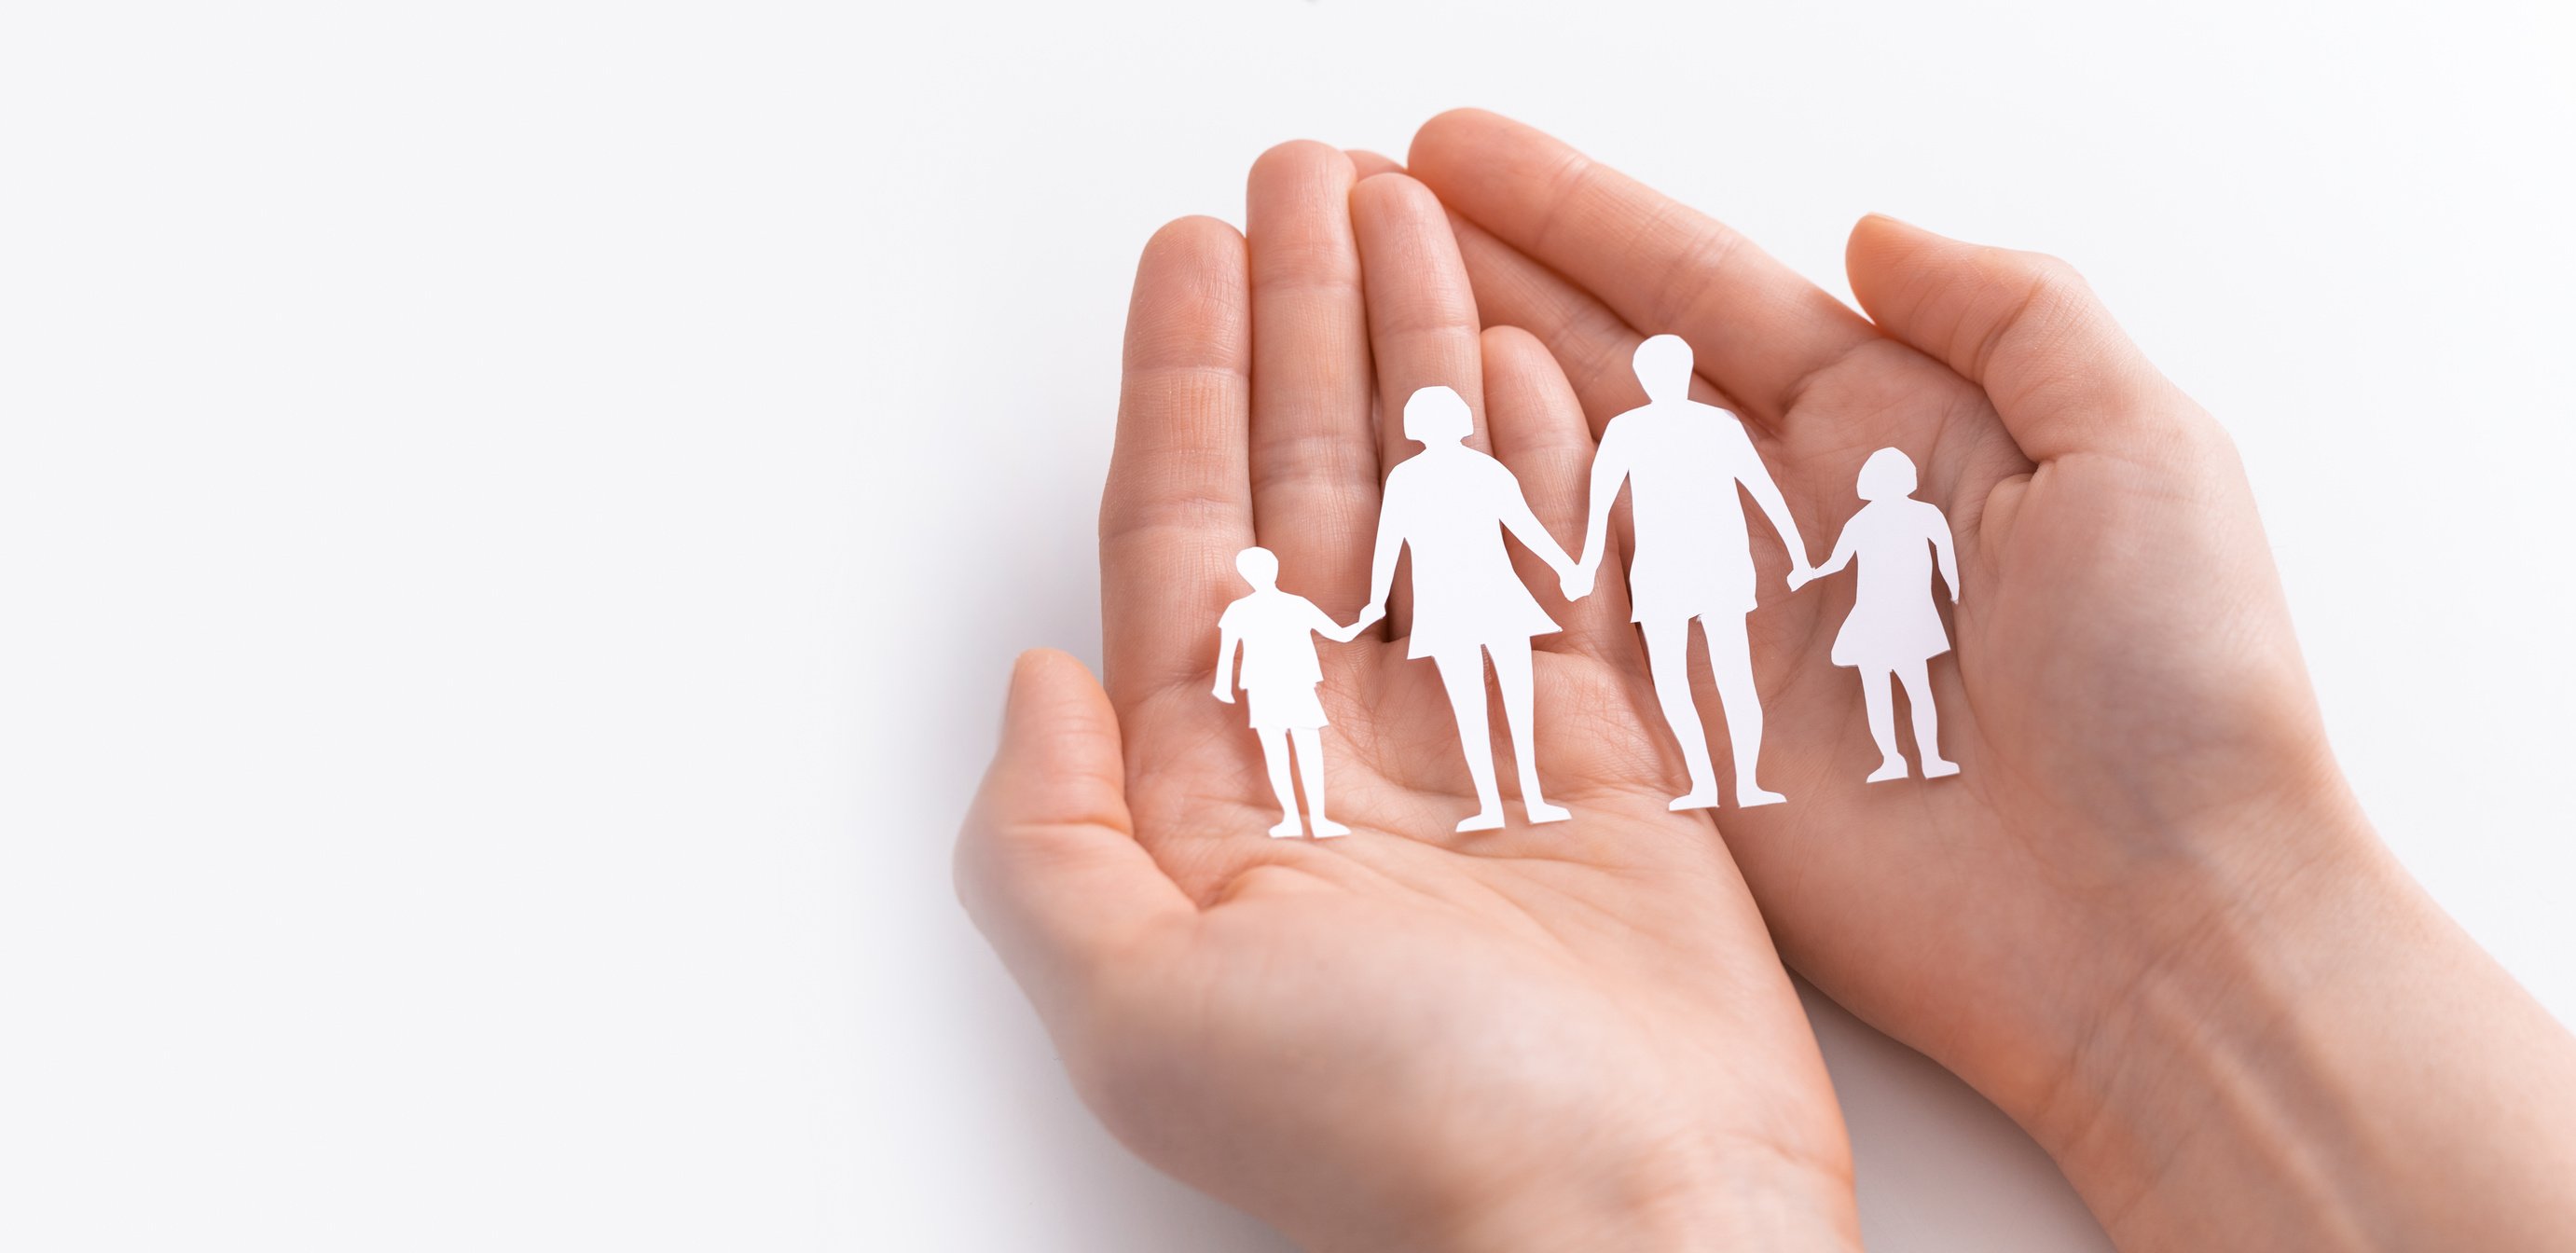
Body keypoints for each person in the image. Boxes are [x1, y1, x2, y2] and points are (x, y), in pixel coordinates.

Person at [957, 117, 2576, 1251]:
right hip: (1608, 600)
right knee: (1566, 699)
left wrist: (1620, 1214)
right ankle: (1585, 770)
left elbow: (1611, 507)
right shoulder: (1543, 471)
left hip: (1713, 590)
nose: (1447, 436)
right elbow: (1541, 520)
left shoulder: (1696, 445)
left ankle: (1613, 770)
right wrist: (1618, 1205)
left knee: (1685, 705)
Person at [1564, 333, 1813, 809]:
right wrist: (1585, 562)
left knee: (1713, 675)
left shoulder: (1700, 425)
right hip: (1675, 567)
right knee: (1693, 677)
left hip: (1705, 564)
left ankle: (1742, 782)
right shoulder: (1646, 428)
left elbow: (1761, 488)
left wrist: (1799, 552)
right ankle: (1713, 783)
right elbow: (1599, 500)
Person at [1358, 385, 1579, 832]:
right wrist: (1566, 567)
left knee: (1483, 705)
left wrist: (1377, 601)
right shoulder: (1468, 471)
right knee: (1506, 701)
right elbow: (1525, 528)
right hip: (1477, 601)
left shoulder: (1416, 476)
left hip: (1469, 602)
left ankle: (1511, 804)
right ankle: (1516, 803)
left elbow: (1523, 525)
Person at [1791, 447, 1962, 782]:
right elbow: (1838, 563)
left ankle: (1921, 759)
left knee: (1896, 690)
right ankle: (1903, 760)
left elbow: (1946, 555)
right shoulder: (1890, 517)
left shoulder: (1889, 517)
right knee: (1903, 689)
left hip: (1898, 617)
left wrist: (1956, 590)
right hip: (1880, 617)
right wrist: (1808, 573)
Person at [1212, 545, 1362, 837]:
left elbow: (1228, 653)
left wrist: (1223, 685)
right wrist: (1366, 618)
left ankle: (1309, 820)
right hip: (1277, 685)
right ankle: (1302, 820)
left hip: (1284, 685)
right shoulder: (1288, 605)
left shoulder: (1251, 608)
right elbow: (1341, 634)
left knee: (1288, 753)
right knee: (1293, 752)